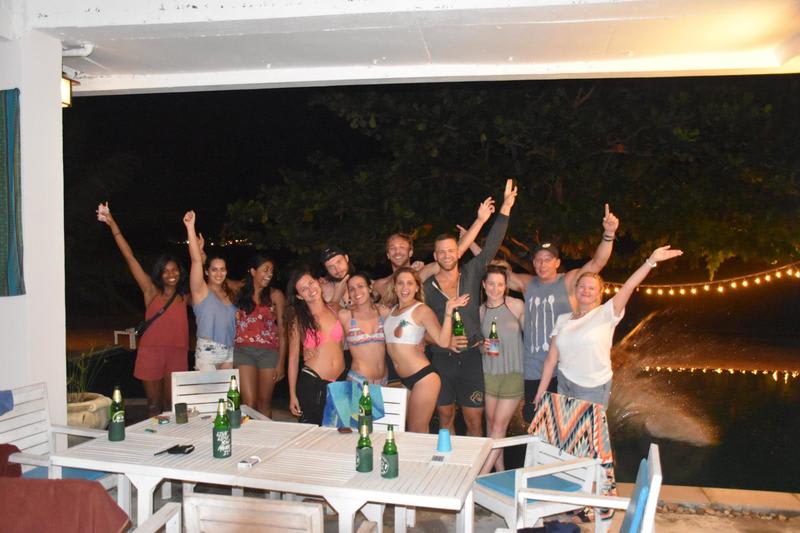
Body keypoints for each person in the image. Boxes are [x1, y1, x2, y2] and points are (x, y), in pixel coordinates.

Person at [508, 204, 619, 422]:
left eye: (548, 259)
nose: (542, 264)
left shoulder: (569, 281)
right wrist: (472, 246)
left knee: (566, 424)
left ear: (557, 263)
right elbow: (494, 271)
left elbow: (598, 262)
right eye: (538, 259)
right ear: (533, 263)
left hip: (563, 370)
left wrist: (608, 234)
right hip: (533, 369)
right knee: (534, 421)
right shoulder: (526, 283)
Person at [535, 246, 683, 410]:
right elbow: (551, 359)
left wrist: (651, 261)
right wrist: (541, 391)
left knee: (588, 434)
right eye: (582, 286)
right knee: (566, 433)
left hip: (592, 388)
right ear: (575, 289)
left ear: (599, 293)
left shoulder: (606, 313)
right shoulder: (562, 319)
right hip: (564, 384)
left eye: (591, 288)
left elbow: (628, 286)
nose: (586, 291)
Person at [424, 179, 517, 437]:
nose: (446, 256)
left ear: (458, 252)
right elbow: (421, 327)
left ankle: (473, 472)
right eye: (441, 252)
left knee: (474, 419)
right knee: (444, 417)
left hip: (472, 358)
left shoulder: (471, 273)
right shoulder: (427, 286)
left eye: (451, 251)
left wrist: (504, 209)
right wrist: (443, 342)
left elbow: (491, 246)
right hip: (442, 359)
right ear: (435, 256)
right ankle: (450, 466)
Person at [97, 202, 189, 416]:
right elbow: (130, 257)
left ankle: (173, 441)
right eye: (165, 271)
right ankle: (153, 444)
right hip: (151, 352)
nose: (170, 274)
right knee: (154, 405)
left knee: (173, 405)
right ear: (159, 273)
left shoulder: (186, 296)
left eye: (174, 270)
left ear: (180, 272)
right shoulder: (150, 291)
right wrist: (112, 224)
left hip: (177, 353)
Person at [384, 267, 469, 433]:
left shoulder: (421, 310)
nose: (405, 287)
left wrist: (448, 312)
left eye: (410, 283)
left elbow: (443, 341)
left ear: (417, 287)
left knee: (418, 430)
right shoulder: (392, 311)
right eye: (400, 283)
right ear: (394, 287)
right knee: (406, 430)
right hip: (404, 380)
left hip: (424, 378)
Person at [373, 203, 491, 304]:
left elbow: (455, 252)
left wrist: (480, 221)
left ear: (410, 252)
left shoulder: (420, 273)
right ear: (388, 254)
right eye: (393, 248)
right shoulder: (379, 285)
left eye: (402, 247)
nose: (397, 251)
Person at [478, 263, 525, 474]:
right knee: (492, 426)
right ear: (483, 285)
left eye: (499, 284)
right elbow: (477, 344)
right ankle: (501, 472)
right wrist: (482, 346)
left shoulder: (516, 305)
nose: (495, 288)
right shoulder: (480, 311)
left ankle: (480, 475)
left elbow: (531, 339)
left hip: (513, 373)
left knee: (498, 426)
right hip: (489, 373)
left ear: (505, 286)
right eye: (491, 284)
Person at [286, 270, 346, 425]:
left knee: (340, 435)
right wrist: (292, 394)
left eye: (311, 283)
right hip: (313, 382)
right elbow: (292, 359)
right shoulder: (298, 320)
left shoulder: (335, 309)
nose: (310, 289)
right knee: (311, 436)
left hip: (340, 381)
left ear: (318, 282)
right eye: (304, 289)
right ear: (299, 296)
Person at [183, 210, 237, 371]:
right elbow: (195, 260)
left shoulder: (230, 293)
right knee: (208, 395)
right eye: (214, 270)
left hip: (229, 350)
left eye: (222, 269)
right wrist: (190, 227)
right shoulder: (201, 292)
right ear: (207, 272)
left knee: (228, 396)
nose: (219, 273)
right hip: (208, 351)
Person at [233, 254, 286, 417]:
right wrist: (202, 257)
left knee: (264, 403)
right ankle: (249, 440)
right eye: (265, 270)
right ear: (252, 271)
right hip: (243, 351)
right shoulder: (238, 290)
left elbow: (283, 332)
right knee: (249, 404)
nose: (269, 274)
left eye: (271, 270)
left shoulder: (276, 295)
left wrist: (281, 363)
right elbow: (215, 281)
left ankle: (266, 439)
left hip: (268, 353)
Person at [338, 272, 390, 385]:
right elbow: (335, 344)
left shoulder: (383, 312)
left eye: (360, 286)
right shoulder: (345, 316)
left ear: (370, 288)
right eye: (351, 289)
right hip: (358, 381)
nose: (356, 292)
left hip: (384, 381)